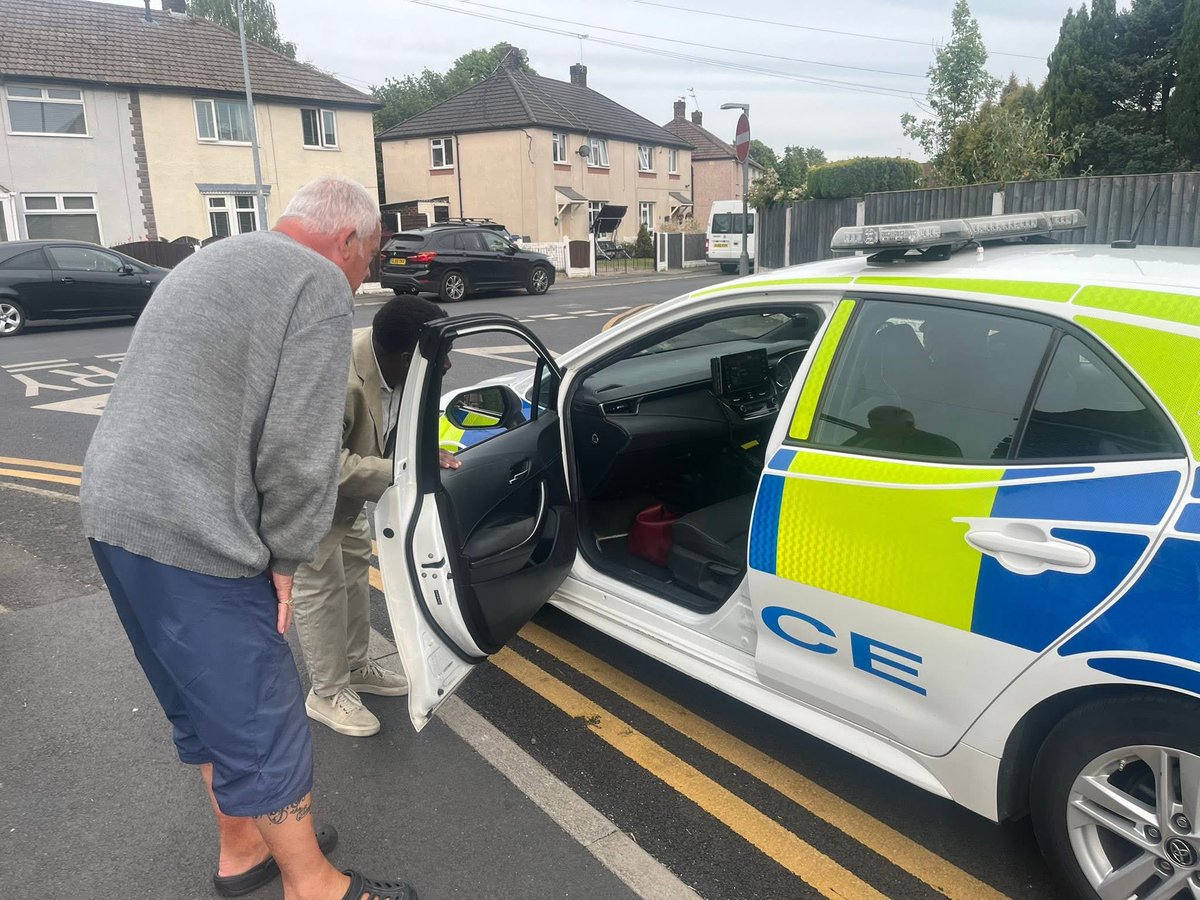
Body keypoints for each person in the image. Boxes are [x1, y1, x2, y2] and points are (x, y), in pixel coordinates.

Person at [80, 177, 417, 900]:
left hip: (116, 510)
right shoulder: (317, 281)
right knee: (261, 709)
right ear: (346, 240)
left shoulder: (215, 257)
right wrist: (287, 556)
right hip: (194, 524)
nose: (366, 277)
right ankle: (315, 887)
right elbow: (299, 448)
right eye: (371, 258)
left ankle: (243, 850)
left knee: (202, 704)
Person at [294, 297, 455, 737]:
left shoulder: (403, 368)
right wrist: (406, 470)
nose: (449, 366)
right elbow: (323, 466)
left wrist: (420, 455)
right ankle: (326, 693)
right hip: (302, 493)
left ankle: (355, 666)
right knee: (321, 585)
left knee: (352, 574)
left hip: (346, 493)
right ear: (408, 357)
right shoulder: (332, 378)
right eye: (442, 358)